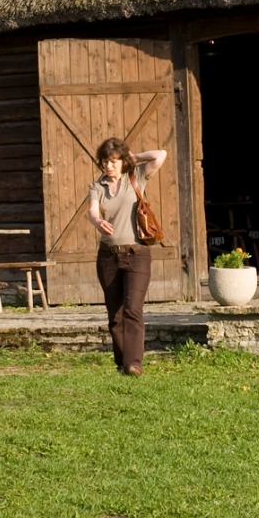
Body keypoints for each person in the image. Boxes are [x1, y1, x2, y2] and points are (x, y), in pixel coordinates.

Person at [87, 137, 167, 376]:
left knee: (133, 308)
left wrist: (135, 158)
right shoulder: (97, 187)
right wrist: (97, 221)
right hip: (108, 257)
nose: (109, 165)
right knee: (115, 313)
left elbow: (160, 155)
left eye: (113, 161)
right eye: (105, 161)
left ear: (122, 161)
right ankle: (123, 363)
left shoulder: (136, 178)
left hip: (137, 255)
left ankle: (134, 363)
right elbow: (92, 210)